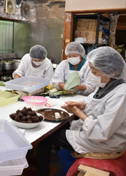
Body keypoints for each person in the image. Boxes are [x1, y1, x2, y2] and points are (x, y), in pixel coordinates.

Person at [36, 47, 126, 176]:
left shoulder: (121, 94)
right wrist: (81, 105)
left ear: (111, 72)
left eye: (95, 72)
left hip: (106, 142)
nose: (92, 75)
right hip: (96, 133)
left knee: (44, 138)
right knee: (61, 125)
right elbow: (92, 101)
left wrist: (79, 113)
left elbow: (101, 132)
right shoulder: (106, 85)